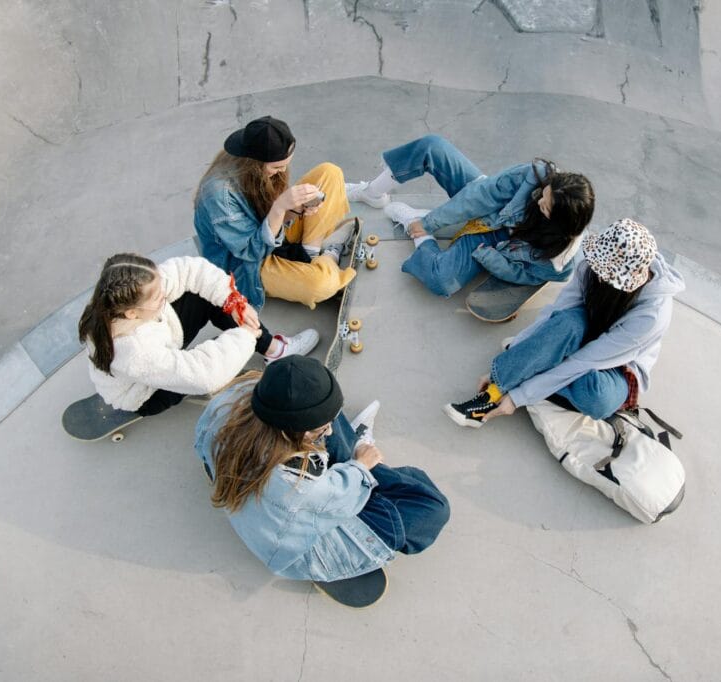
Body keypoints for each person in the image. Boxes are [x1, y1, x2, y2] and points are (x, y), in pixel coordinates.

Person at [195, 356, 450, 582]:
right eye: (320, 431)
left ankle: (353, 450)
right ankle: (358, 451)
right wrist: (361, 466)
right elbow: (332, 496)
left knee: (318, 401)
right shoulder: (296, 484)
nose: (327, 431)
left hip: (284, 490)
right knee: (430, 506)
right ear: (288, 432)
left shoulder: (241, 392)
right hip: (307, 547)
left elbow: (202, 441)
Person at [443, 219, 685, 427]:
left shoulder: (652, 315)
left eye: (606, 273)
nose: (598, 273)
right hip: (581, 329)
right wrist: (512, 357)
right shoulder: (591, 265)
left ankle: (539, 360)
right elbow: (555, 313)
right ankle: (498, 388)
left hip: (618, 365)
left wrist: (519, 396)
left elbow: (585, 361)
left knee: (596, 398)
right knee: (567, 323)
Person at [346, 134, 595, 297]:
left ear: (560, 223)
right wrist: (431, 222)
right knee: (432, 148)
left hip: (494, 242)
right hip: (490, 209)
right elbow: (481, 195)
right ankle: (372, 193)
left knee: (441, 280)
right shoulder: (536, 176)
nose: (540, 199)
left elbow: (524, 275)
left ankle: (413, 223)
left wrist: (489, 258)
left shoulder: (560, 260)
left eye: (546, 205)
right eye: (544, 193)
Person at [77, 253, 319, 416]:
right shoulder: (133, 352)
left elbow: (190, 270)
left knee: (208, 297)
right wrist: (244, 336)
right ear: (131, 313)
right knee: (214, 356)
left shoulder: (125, 296)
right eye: (158, 296)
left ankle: (272, 350)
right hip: (148, 394)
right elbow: (204, 375)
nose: (165, 292)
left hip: (162, 338)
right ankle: (248, 343)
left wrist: (233, 301)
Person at [194, 115, 357, 310]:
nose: (283, 170)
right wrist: (281, 208)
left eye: (287, 163)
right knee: (319, 285)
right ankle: (330, 254)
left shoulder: (254, 163)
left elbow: (270, 215)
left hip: (271, 232)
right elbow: (251, 252)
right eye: (277, 167)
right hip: (247, 264)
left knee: (330, 172)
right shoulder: (219, 195)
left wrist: (295, 210)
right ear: (254, 164)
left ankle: (311, 254)